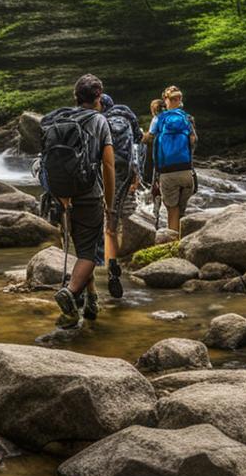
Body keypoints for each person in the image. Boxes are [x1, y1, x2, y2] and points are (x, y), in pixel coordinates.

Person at [44, 75, 115, 329]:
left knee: (79, 248)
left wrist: (55, 194)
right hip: (88, 194)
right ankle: (71, 292)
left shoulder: (60, 120)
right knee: (90, 252)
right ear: (99, 97)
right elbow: (108, 165)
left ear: (76, 97)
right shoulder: (99, 121)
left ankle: (90, 301)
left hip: (60, 196)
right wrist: (110, 203)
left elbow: (44, 162)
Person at [101, 93, 142, 300]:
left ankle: (111, 264)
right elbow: (138, 142)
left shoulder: (100, 121)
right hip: (126, 172)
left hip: (105, 172)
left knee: (107, 225)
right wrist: (136, 175)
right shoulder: (127, 116)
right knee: (120, 217)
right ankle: (121, 253)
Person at [145, 86, 196, 239]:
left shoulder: (159, 118)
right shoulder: (186, 118)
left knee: (172, 210)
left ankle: (173, 245)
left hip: (167, 172)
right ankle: (183, 242)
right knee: (181, 210)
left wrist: (138, 136)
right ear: (179, 99)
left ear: (166, 100)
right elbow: (193, 140)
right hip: (186, 171)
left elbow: (149, 137)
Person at [144, 98, 166, 224]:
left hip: (160, 160)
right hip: (179, 162)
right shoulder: (175, 118)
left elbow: (150, 136)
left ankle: (156, 218)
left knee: (156, 189)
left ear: (153, 110)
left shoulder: (157, 119)